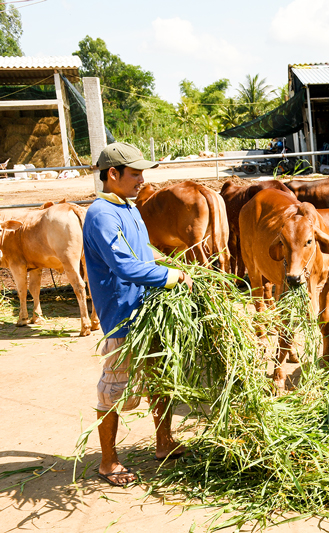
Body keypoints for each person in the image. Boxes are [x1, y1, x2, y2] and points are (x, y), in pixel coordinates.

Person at [83, 142, 194, 487]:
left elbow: (144, 252)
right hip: (122, 313)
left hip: (149, 310)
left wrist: (173, 265)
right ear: (112, 174)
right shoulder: (102, 214)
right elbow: (124, 265)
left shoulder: (129, 208)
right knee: (114, 388)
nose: (142, 180)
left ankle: (164, 442)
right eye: (135, 174)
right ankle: (108, 462)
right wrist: (170, 277)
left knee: (161, 376)